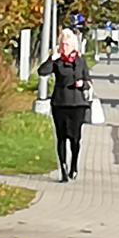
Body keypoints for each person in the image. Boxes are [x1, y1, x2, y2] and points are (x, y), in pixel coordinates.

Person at [37, 28, 92, 183]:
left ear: (73, 45)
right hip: (60, 103)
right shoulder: (57, 62)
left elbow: (88, 80)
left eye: (67, 44)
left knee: (75, 138)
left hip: (77, 104)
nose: (64, 47)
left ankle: (73, 165)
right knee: (61, 137)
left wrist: (83, 84)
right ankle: (63, 170)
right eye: (62, 44)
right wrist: (52, 58)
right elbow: (42, 72)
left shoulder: (80, 61)